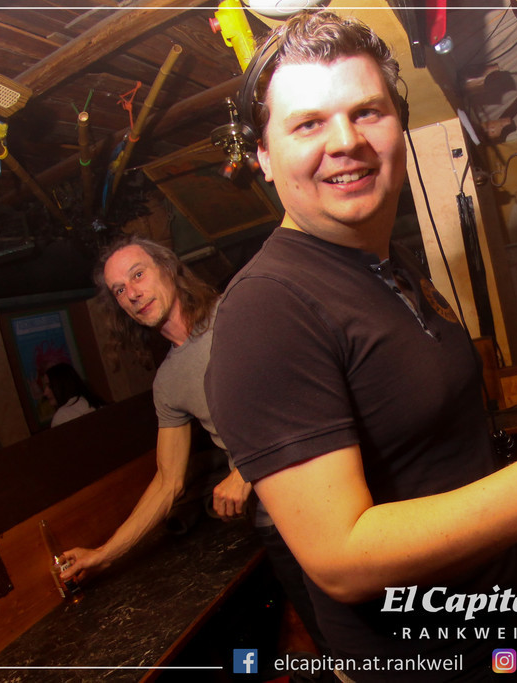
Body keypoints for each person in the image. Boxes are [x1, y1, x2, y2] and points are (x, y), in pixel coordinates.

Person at [204, 10, 517, 680]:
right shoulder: (267, 308)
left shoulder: (383, 264)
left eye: (367, 112)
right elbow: (340, 557)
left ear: (398, 124)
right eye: (308, 124)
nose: (346, 141)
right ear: (264, 158)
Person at [60, 235, 327, 654]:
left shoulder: (237, 312)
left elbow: (312, 391)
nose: (132, 293)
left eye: (138, 274)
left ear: (168, 268)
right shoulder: (167, 383)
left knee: (381, 631)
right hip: (273, 522)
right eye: (120, 290)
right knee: (330, 646)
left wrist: (246, 468)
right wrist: (102, 554)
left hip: (324, 494)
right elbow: (167, 482)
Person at [42, 362, 103, 427]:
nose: (45, 393)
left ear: (62, 385)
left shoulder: (62, 416)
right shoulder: (96, 403)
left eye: (50, 386)